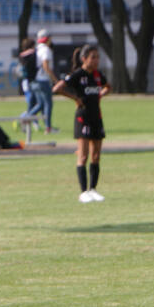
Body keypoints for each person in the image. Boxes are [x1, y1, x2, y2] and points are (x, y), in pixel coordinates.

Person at [52, 45, 110, 203]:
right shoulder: (78, 75)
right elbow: (57, 88)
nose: (96, 60)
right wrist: (76, 99)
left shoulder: (98, 75)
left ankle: (93, 190)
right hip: (82, 117)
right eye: (93, 57)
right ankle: (83, 191)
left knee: (96, 155)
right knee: (83, 155)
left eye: (97, 57)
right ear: (84, 59)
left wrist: (101, 95)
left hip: (96, 116)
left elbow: (107, 86)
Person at [27, 29, 59, 134]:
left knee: (40, 104)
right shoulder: (46, 50)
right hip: (43, 80)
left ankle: (23, 119)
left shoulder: (37, 49)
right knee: (48, 104)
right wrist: (55, 80)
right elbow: (46, 66)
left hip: (35, 80)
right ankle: (48, 128)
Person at [17, 37, 38, 122]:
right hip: (28, 82)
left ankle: (30, 121)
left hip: (26, 82)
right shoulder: (27, 55)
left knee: (32, 104)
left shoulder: (24, 56)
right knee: (32, 104)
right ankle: (22, 119)